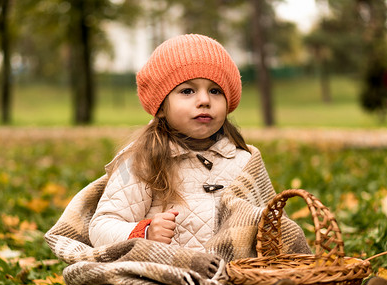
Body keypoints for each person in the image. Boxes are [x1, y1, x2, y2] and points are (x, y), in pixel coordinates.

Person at [88, 34, 302, 253]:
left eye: (215, 91)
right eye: (187, 91)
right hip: (161, 274)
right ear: (161, 106)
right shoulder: (140, 160)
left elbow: (274, 226)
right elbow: (101, 227)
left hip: (230, 277)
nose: (204, 100)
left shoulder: (244, 161)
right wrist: (145, 231)